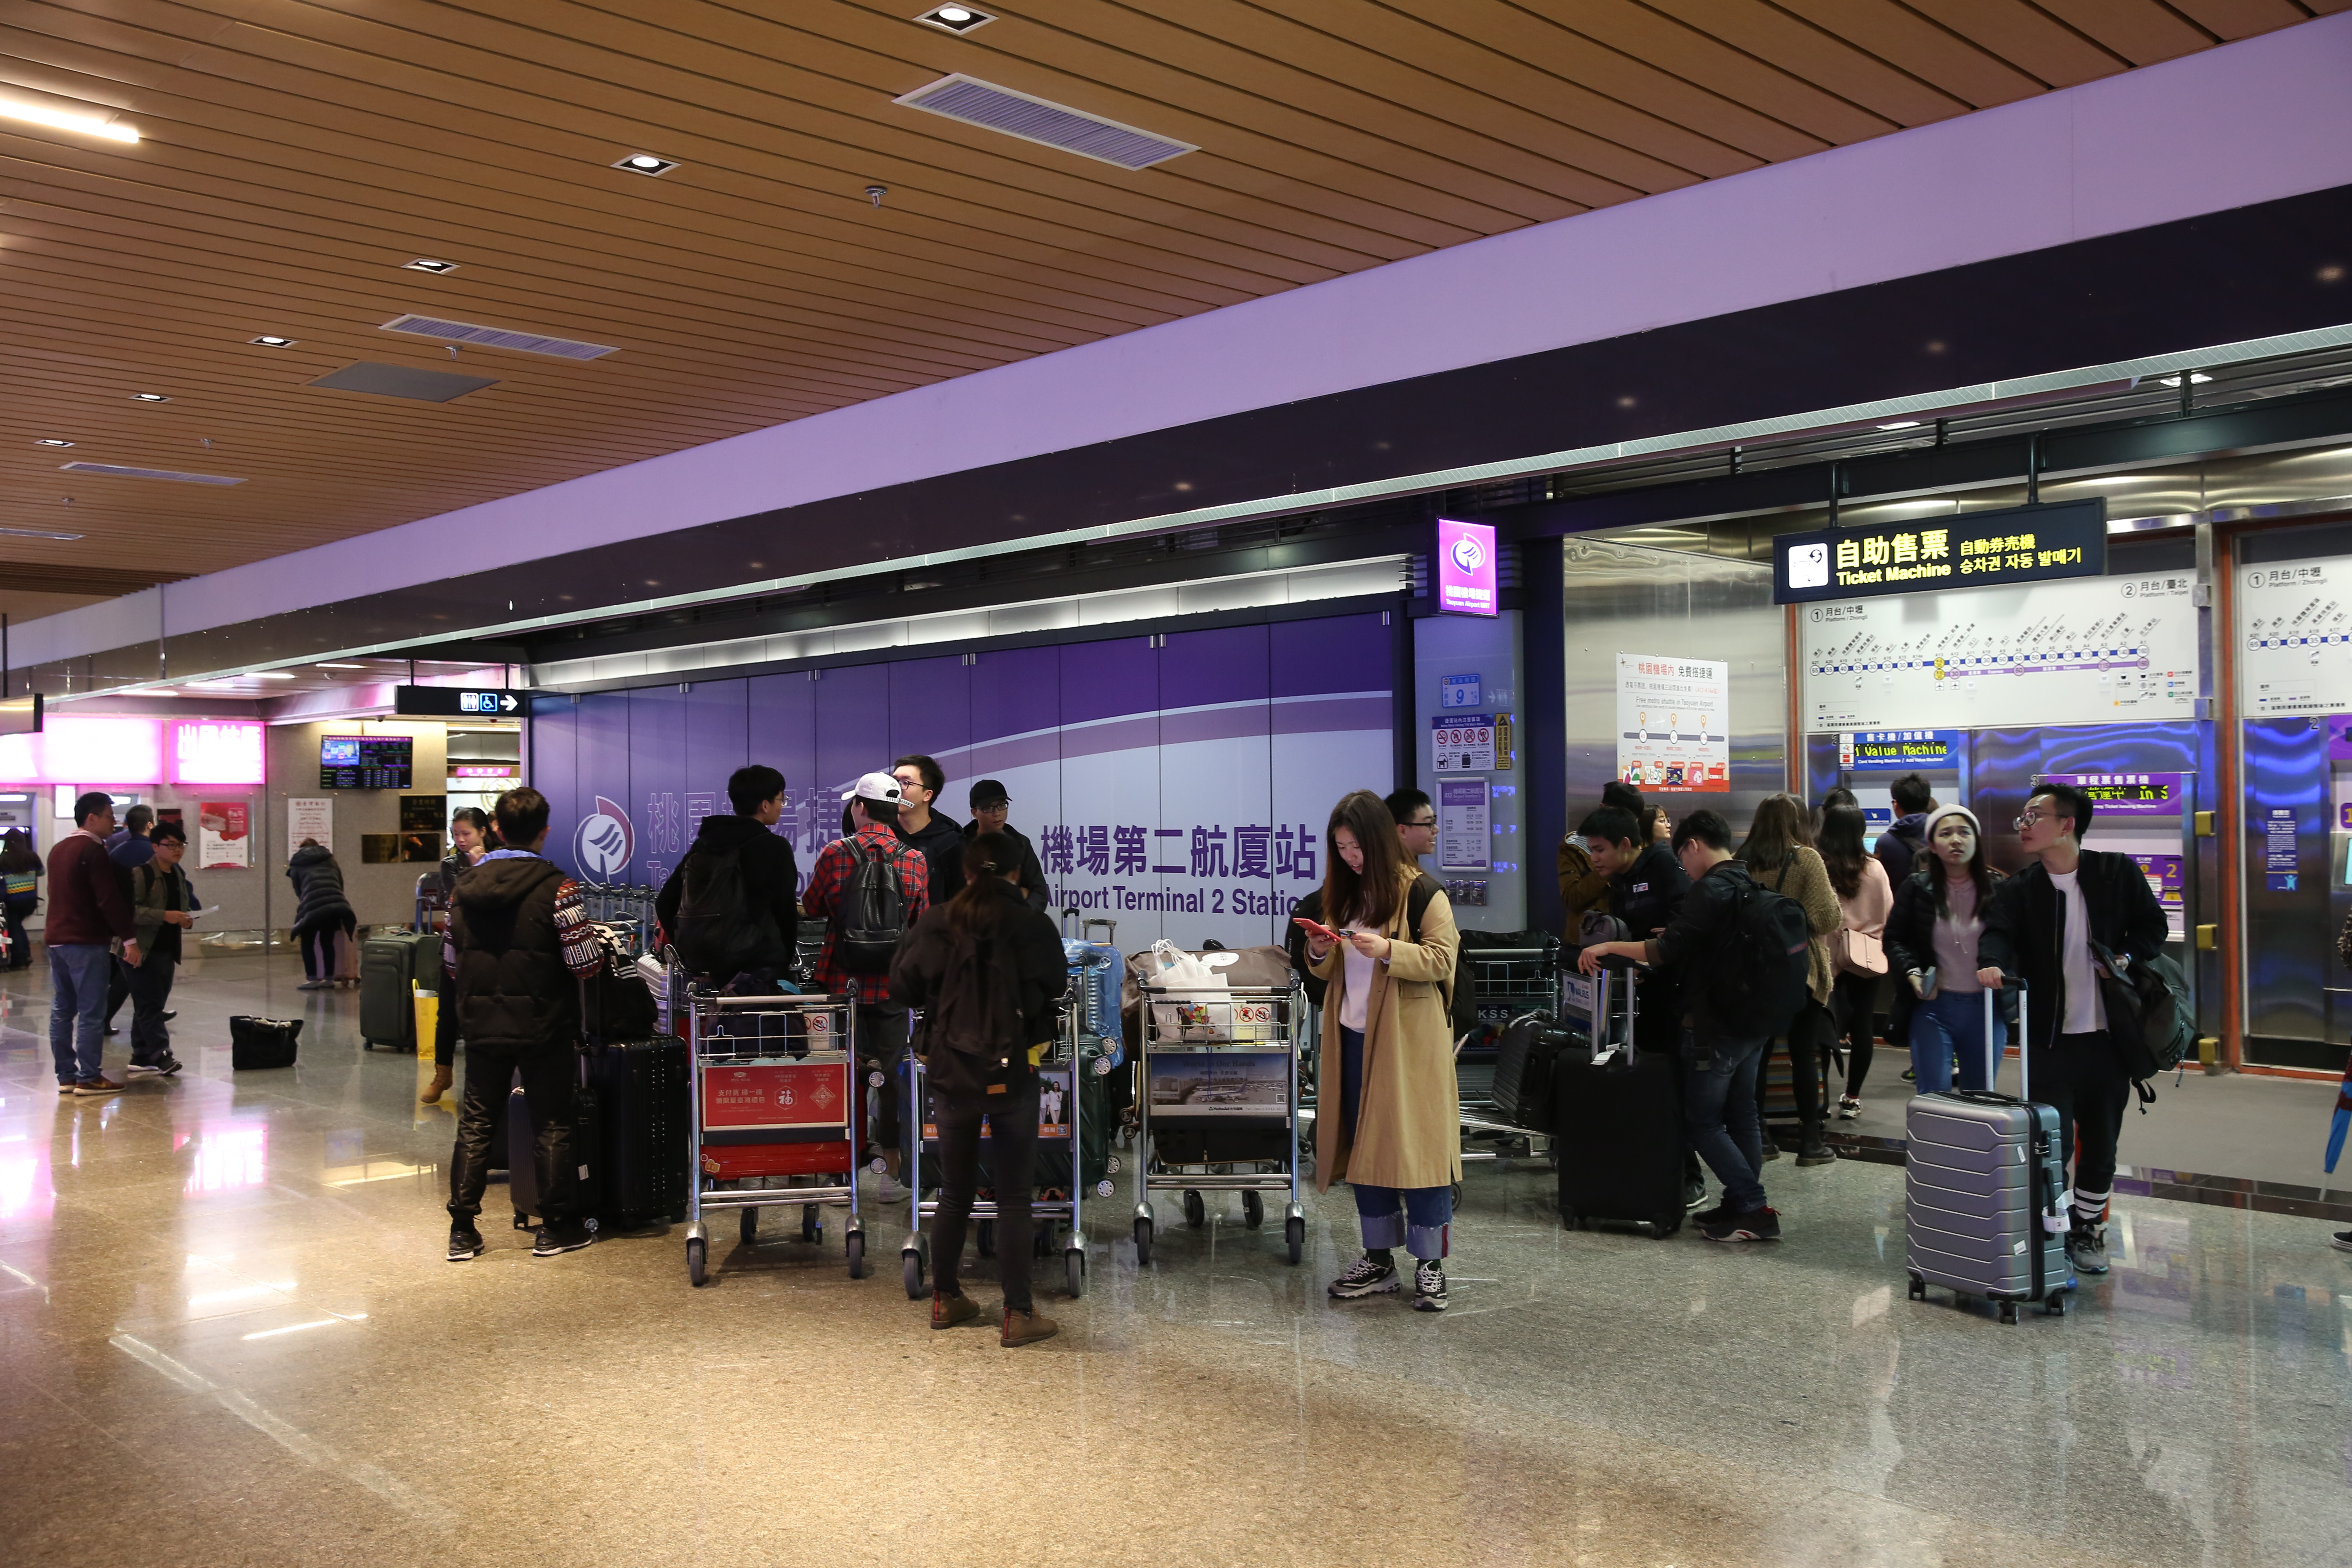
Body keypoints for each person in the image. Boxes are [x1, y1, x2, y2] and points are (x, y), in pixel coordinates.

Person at [1976, 781, 2167, 1277]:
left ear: (2067, 824)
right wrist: (1992, 962)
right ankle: (2055, 1226)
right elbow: (1998, 932)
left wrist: (2125, 956)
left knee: (2101, 1142)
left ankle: (2090, 1228)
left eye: (2034, 816)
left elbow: (2153, 927)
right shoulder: (2020, 889)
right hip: (2049, 1041)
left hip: (2109, 1039)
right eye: (2021, 816)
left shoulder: (2115, 873)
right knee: (2050, 1143)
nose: (2024, 825)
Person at [890, 832, 1069, 1347]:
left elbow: (902, 985)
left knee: (954, 1191)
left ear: (966, 873)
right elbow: (1054, 983)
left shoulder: (938, 920)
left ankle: (947, 1300)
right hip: (1011, 1072)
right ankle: (1018, 1314)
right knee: (1014, 1196)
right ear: (1016, 874)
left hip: (950, 1070)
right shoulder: (1030, 923)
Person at [1579, 809, 1781, 1243]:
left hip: (1716, 1024)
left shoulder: (1709, 890)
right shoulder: (1748, 882)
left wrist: (1611, 946)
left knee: (1702, 1121)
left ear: (1693, 846)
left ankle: (1751, 1203)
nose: (1682, 869)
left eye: (1682, 856)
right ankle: (1741, 1205)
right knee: (1742, 1113)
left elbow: (1667, 949)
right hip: (1754, 1020)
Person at [1305, 790, 1462, 1313]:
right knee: (1365, 1151)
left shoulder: (1423, 894)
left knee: (1418, 1154)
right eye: (1341, 847)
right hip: (1351, 1039)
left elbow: (1442, 960)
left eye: (1355, 846)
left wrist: (1391, 950)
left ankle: (1431, 1264)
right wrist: (1319, 950)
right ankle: (1378, 1258)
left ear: (1377, 839)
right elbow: (1330, 972)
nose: (1350, 856)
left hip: (1408, 1046)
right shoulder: (1346, 898)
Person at [442, 787, 605, 1263]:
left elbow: (451, 963)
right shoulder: (559, 888)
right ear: (544, 832)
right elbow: (585, 964)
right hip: (544, 1024)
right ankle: (555, 1228)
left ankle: (462, 1231)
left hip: (480, 1025)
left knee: (476, 1124)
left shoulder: (462, 889)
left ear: (495, 829)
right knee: (551, 1122)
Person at [802, 772, 933, 1202]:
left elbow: (813, 907)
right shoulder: (914, 859)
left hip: (843, 982)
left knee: (841, 1070)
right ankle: (890, 1173)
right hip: (894, 985)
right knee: (893, 1075)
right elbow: (919, 923)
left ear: (859, 807)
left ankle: (840, 1161)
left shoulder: (836, 853)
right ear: (896, 810)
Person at [1736, 794, 1842, 1166]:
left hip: (1756, 973)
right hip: (1803, 971)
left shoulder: (1741, 861)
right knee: (1802, 1055)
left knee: (1758, 1057)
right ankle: (1811, 1142)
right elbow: (1828, 917)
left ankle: (1760, 1136)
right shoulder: (1805, 858)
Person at [1884, 804, 2009, 1095]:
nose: (1956, 840)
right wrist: (1912, 973)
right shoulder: (1917, 887)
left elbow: (2013, 942)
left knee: (1980, 1099)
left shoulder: (1999, 889)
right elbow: (1894, 939)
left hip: (1987, 1008)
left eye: (1964, 833)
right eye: (1946, 834)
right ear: (1932, 845)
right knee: (1933, 1098)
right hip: (1933, 1007)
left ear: (1976, 840)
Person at [656, 763, 802, 982]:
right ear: (765, 805)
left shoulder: (706, 843)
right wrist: (786, 955)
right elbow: (785, 910)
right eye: (781, 799)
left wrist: (690, 951)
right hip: (763, 966)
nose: (782, 806)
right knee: (766, 1018)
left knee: (721, 1018)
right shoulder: (774, 847)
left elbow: (666, 902)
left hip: (717, 967)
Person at [46, 792, 140, 1094]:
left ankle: (66, 1075)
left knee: (63, 1008)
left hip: (57, 940)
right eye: (110, 817)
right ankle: (89, 1076)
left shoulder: (59, 849)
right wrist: (129, 938)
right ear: (92, 818)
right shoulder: (93, 850)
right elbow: (108, 899)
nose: (115, 823)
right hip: (86, 941)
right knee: (91, 1011)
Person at [1817, 803, 1893, 1121]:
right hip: (1866, 958)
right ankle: (1852, 1096)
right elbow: (1889, 912)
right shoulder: (1875, 869)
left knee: (1822, 1028)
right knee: (1862, 1027)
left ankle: (1820, 1097)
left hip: (1826, 958)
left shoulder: (1819, 866)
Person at [421, 808, 495, 1105]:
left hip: (490, 951)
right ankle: (442, 1074)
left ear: (483, 832)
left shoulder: (501, 858)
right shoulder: (450, 864)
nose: (461, 840)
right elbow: (459, 898)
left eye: (466, 834)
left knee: (486, 1016)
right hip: (456, 949)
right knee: (447, 1015)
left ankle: (484, 1081)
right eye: (456, 834)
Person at [125, 821, 193, 1078]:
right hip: (141, 949)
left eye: (181, 845)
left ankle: (141, 1056)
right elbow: (130, 912)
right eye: (171, 845)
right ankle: (162, 1055)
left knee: (150, 1003)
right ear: (155, 846)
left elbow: (181, 909)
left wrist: (185, 919)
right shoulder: (142, 874)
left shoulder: (178, 875)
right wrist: (164, 916)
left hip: (166, 949)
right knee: (150, 1005)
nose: (177, 850)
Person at [961, 779, 1049, 912]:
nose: (997, 813)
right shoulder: (961, 845)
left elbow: (1039, 892)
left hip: (1015, 924)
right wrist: (1018, 894)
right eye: (988, 808)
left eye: (1002, 805)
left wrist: (1020, 915)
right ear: (974, 813)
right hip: (972, 923)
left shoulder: (1021, 843)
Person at [893, 753, 967, 904]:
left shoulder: (950, 842)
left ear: (927, 795)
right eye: (894, 781)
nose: (896, 789)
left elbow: (961, 901)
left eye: (905, 783)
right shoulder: (881, 834)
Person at [287, 837, 355, 991]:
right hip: (335, 903)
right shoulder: (330, 859)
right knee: (327, 941)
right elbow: (340, 881)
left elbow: (298, 888)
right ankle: (329, 979)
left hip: (312, 904)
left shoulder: (298, 861)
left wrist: (307, 901)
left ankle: (312, 978)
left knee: (307, 941)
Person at [1874, 774, 1936, 889]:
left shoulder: (1885, 842)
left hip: (1898, 906)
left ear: (1896, 805)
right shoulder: (1941, 835)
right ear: (1928, 802)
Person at [2, 827, 40, 970]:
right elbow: (41, 873)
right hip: (30, 900)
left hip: (12, 900)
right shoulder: (32, 856)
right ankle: (26, 955)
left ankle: (19, 959)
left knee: (14, 928)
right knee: (17, 926)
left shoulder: (3, 860)